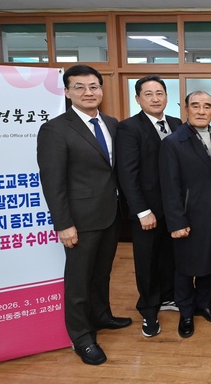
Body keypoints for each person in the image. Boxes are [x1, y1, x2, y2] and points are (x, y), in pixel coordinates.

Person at [37, 64, 131, 366]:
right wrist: (63, 224)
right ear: (67, 92)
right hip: (79, 220)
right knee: (78, 281)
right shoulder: (55, 129)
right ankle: (81, 337)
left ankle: (101, 316)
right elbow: (52, 182)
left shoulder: (112, 123)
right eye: (79, 87)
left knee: (102, 273)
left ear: (101, 90)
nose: (88, 92)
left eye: (93, 86)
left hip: (110, 214)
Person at [159, 91, 211, 339]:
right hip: (188, 217)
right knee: (185, 268)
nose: (201, 111)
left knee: (210, 263)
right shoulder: (173, 143)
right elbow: (169, 186)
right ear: (186, 109)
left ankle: (203, 304)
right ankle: (186, 312)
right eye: (196, 106)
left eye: (207, 106)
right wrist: (177, 222)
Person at [115, 75, 181, 338]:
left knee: (170, 256)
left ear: (166, 96)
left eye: (159, 93)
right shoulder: (129, 128)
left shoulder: (176, 124)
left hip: (173, 209)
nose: (155, 99)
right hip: (147, 211)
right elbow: (127, 174)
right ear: (138, 98)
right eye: (149, 94)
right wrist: (142, 211)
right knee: (147, 261)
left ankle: (168, 296)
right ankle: (149, 310)